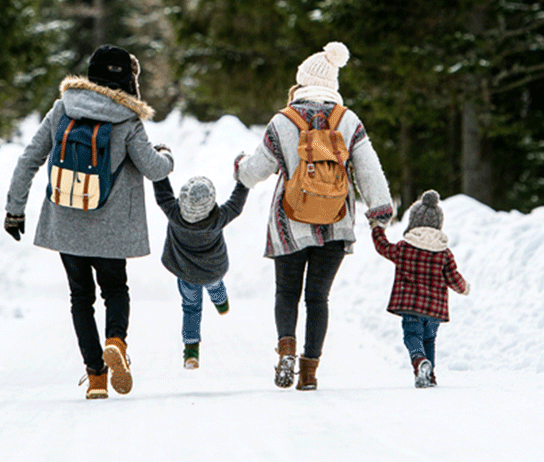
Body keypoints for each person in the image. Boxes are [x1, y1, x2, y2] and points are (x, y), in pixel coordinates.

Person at [3, 45, 174, 400]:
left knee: (80, 296)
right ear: (128, 79)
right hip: (111, 228)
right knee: (115, 290)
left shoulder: (63, 108)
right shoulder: (127, 119)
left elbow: (29, 159)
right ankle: (116, 342)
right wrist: (167, 155)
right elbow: (154, 169)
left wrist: (14, 210)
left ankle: (96, 377)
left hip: (67, 222)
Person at [235, 41, 394, 391]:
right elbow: (369, 171)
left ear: (302, 82)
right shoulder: (347, 120)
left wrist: (239, 169)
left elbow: (255, 172)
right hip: (336, 222)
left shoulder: (283, 121)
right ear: (332, 85)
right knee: (318, 298)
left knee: (287, 293)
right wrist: (380, 214)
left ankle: (286, 351)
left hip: (289, 223)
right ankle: (309, 373)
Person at [371, 189, 469, 388]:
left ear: (414, 222)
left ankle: (419, 361)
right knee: (429, 340)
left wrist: (377, 228)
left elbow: (383, 247)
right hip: (435, 309)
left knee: (412, 336)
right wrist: (464, 287)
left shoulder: (404, 247)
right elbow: (452, 278)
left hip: (411, 306)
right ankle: (429, 376)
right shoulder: (444, 253)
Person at [152, 172, 250, 369]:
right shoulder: (218, 218)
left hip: (186, 274)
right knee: (216, 286)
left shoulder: (173, 213)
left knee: (191, 308)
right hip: (213, 271)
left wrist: (160, 163)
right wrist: (243, 180)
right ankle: (221, 303)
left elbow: (163, 193)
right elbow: (236, 204)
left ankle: (191, 352)